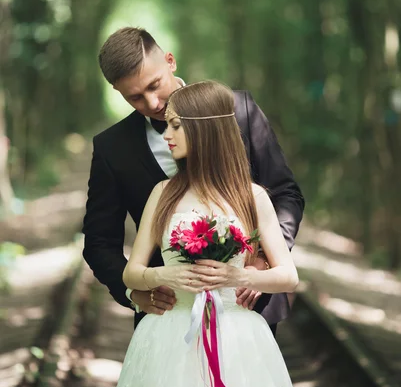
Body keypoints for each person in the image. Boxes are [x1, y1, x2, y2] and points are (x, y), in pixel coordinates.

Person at [90, 81, 310, 387]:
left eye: (176, 125)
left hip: (239, 337)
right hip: (169, 334)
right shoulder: (163, 193)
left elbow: (288, 276)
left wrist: (240, 277)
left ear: (205, 130)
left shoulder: (252, 196)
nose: (168, 134)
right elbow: (134, 271)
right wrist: (162, 276)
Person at [83, 27, 304, 332]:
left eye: (155, 85)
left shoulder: (237, 110)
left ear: (170, 61)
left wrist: (263, 261)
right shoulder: (111, 148)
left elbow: (285, 193)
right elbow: (99, 241)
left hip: (247, 307)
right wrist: (135, 293)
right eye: (135, 97)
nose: (153, 103)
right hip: (166, 317)